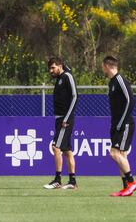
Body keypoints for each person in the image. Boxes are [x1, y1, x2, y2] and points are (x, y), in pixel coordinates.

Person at [102, 56, 136, 197]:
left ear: (107, 66)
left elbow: (131, 101)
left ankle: (132, 182)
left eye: (103, 66)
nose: (103, 69)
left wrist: (121, 122)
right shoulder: (111, 83)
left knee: (114, 153)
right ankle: (126, 188)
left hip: (124, 124)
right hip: (116, 124)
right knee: (122, 155)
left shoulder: (120, 80)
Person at [43, 57, 78, 190]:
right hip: (60, 119)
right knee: (67, 151)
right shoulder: (59, 79)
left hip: (65, 119)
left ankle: (57, 180)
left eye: (53, 67)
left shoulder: (67, 76)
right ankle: (72, 181)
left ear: (60, 66)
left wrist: (66, 118)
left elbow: (75, 96)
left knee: (55, 147)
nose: (51, 71)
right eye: (49, 68)